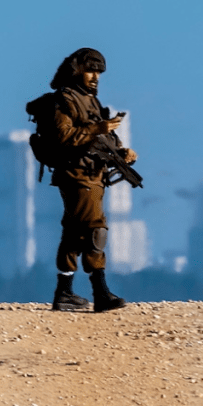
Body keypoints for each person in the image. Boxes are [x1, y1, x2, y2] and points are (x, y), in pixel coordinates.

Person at [43, 47, 138, 313]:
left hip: (94, 175)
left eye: (98, 72)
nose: (95, 76)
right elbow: (64, 137)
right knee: (96, 229)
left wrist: (121, 152)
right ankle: (100, 291)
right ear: (76, 70)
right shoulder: (65, 99)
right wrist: (98, 128)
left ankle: (65, 293)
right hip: (77, 175)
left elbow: (99, 140)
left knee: (74, 233)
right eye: (90, 70)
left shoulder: (91, 101)